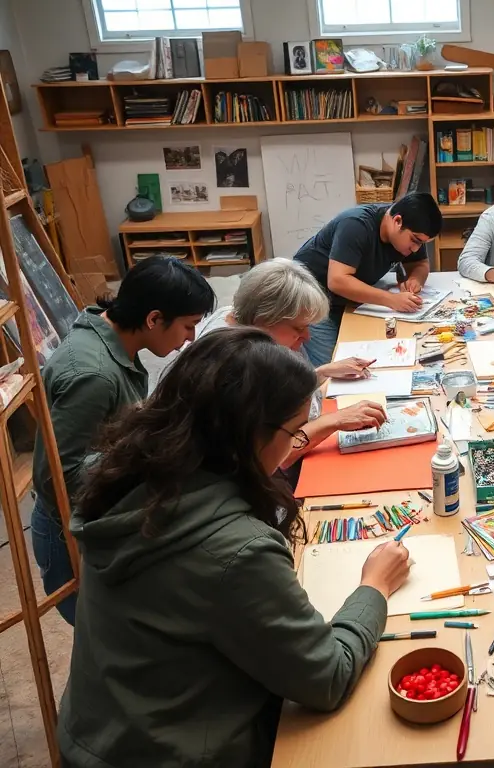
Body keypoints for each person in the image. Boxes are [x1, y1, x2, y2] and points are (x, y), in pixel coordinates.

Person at [58, 328, 412, 767]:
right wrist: (373, 589)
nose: (296, 443)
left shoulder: (128, 474)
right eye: (296, 431)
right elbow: (327, 676)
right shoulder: (235, 550)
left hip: (99, 736)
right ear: (249, 433)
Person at [31, 256, 215, 626]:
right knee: (104, 637)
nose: (190, 338)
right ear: (153, 319)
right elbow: (57, 479)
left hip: (95, 516)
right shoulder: (94, 375)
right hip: (70, 536)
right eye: (188, 326)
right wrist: (147, 446)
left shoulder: (111, 335)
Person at [198, 258, 387, 483]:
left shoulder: (239, 318)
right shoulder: (236, 365)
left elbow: (280, 395)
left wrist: (323, 372)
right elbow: (273, 459)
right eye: (299, 328)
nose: (307, 337)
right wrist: (333, 421)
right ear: (264, 319)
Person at [293, 192, 443, 367]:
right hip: (311, 300)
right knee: (336, 368)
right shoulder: (356, 225)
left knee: (376, 355)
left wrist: (415, 279)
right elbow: (337, 281)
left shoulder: (405, 234)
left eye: (422, 243)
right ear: (397, 221)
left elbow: (420, 263)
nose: (416, 248)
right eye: (415, 241)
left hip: (349, 302)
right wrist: (391, 300)